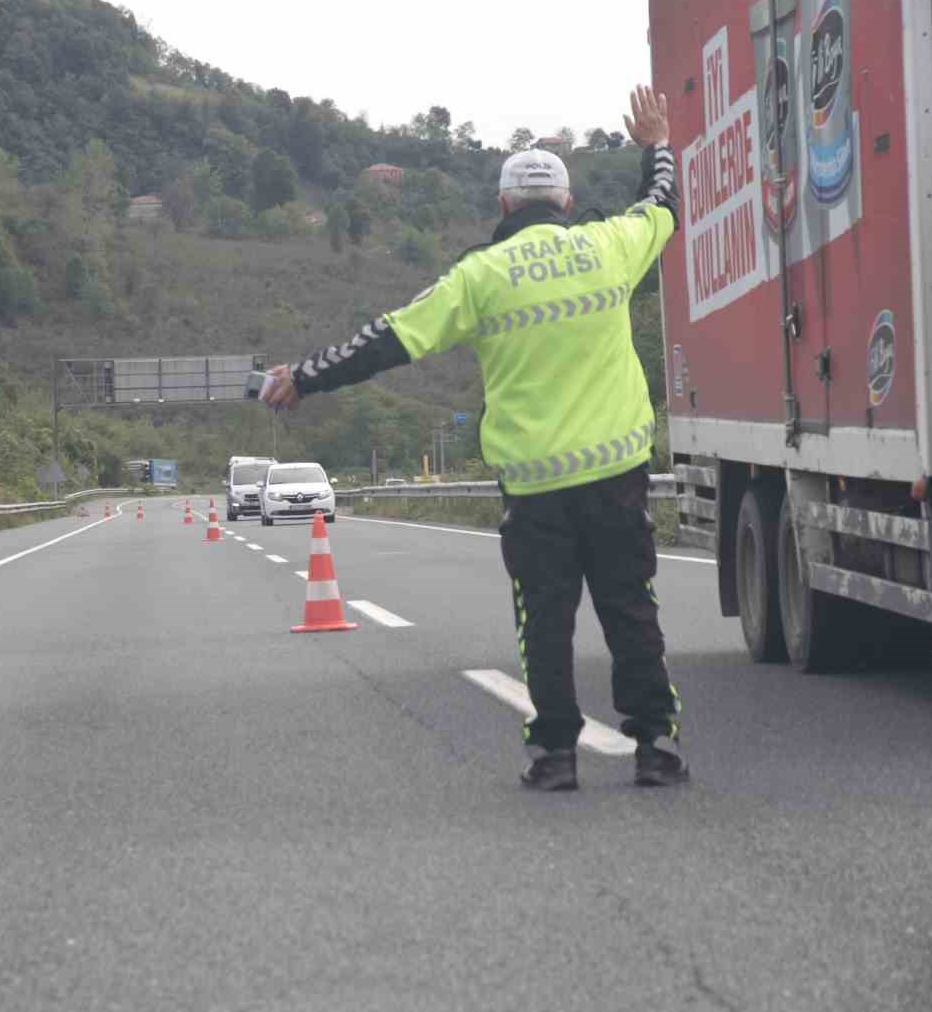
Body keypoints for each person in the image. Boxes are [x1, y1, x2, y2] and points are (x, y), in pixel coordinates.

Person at [262, 86, 686, 791]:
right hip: (617, 474)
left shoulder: (480, 276)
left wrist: (305, 377)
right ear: (569, 205)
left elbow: (389, 339)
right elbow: (663, 207)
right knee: (630, 609)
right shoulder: (608, 248)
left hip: (536, 486)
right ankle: (657, 749)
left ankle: (555, 757)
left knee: (544, 624)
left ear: (503, 209)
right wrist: (657, 144)